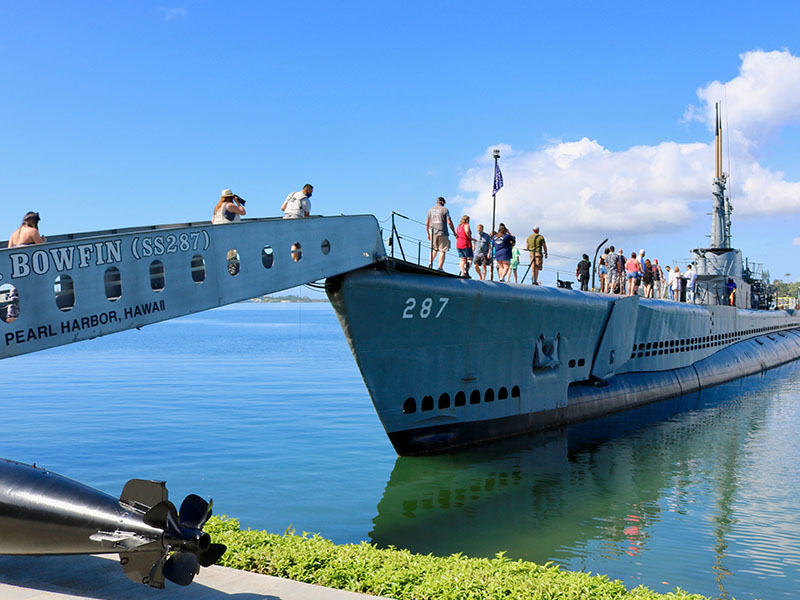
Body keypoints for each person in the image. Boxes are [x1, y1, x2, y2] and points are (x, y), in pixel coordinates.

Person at [425, 197, 457, 271]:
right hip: (443, 232)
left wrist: (428, 233)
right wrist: (454, 232)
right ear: (442, 202)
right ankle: (440, 267)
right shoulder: (445, 210)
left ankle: (430, 263)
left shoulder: (430, 210)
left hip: (433, 232)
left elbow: (427, 222)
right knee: (442, 250)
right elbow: (449, 222)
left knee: (434, 249)